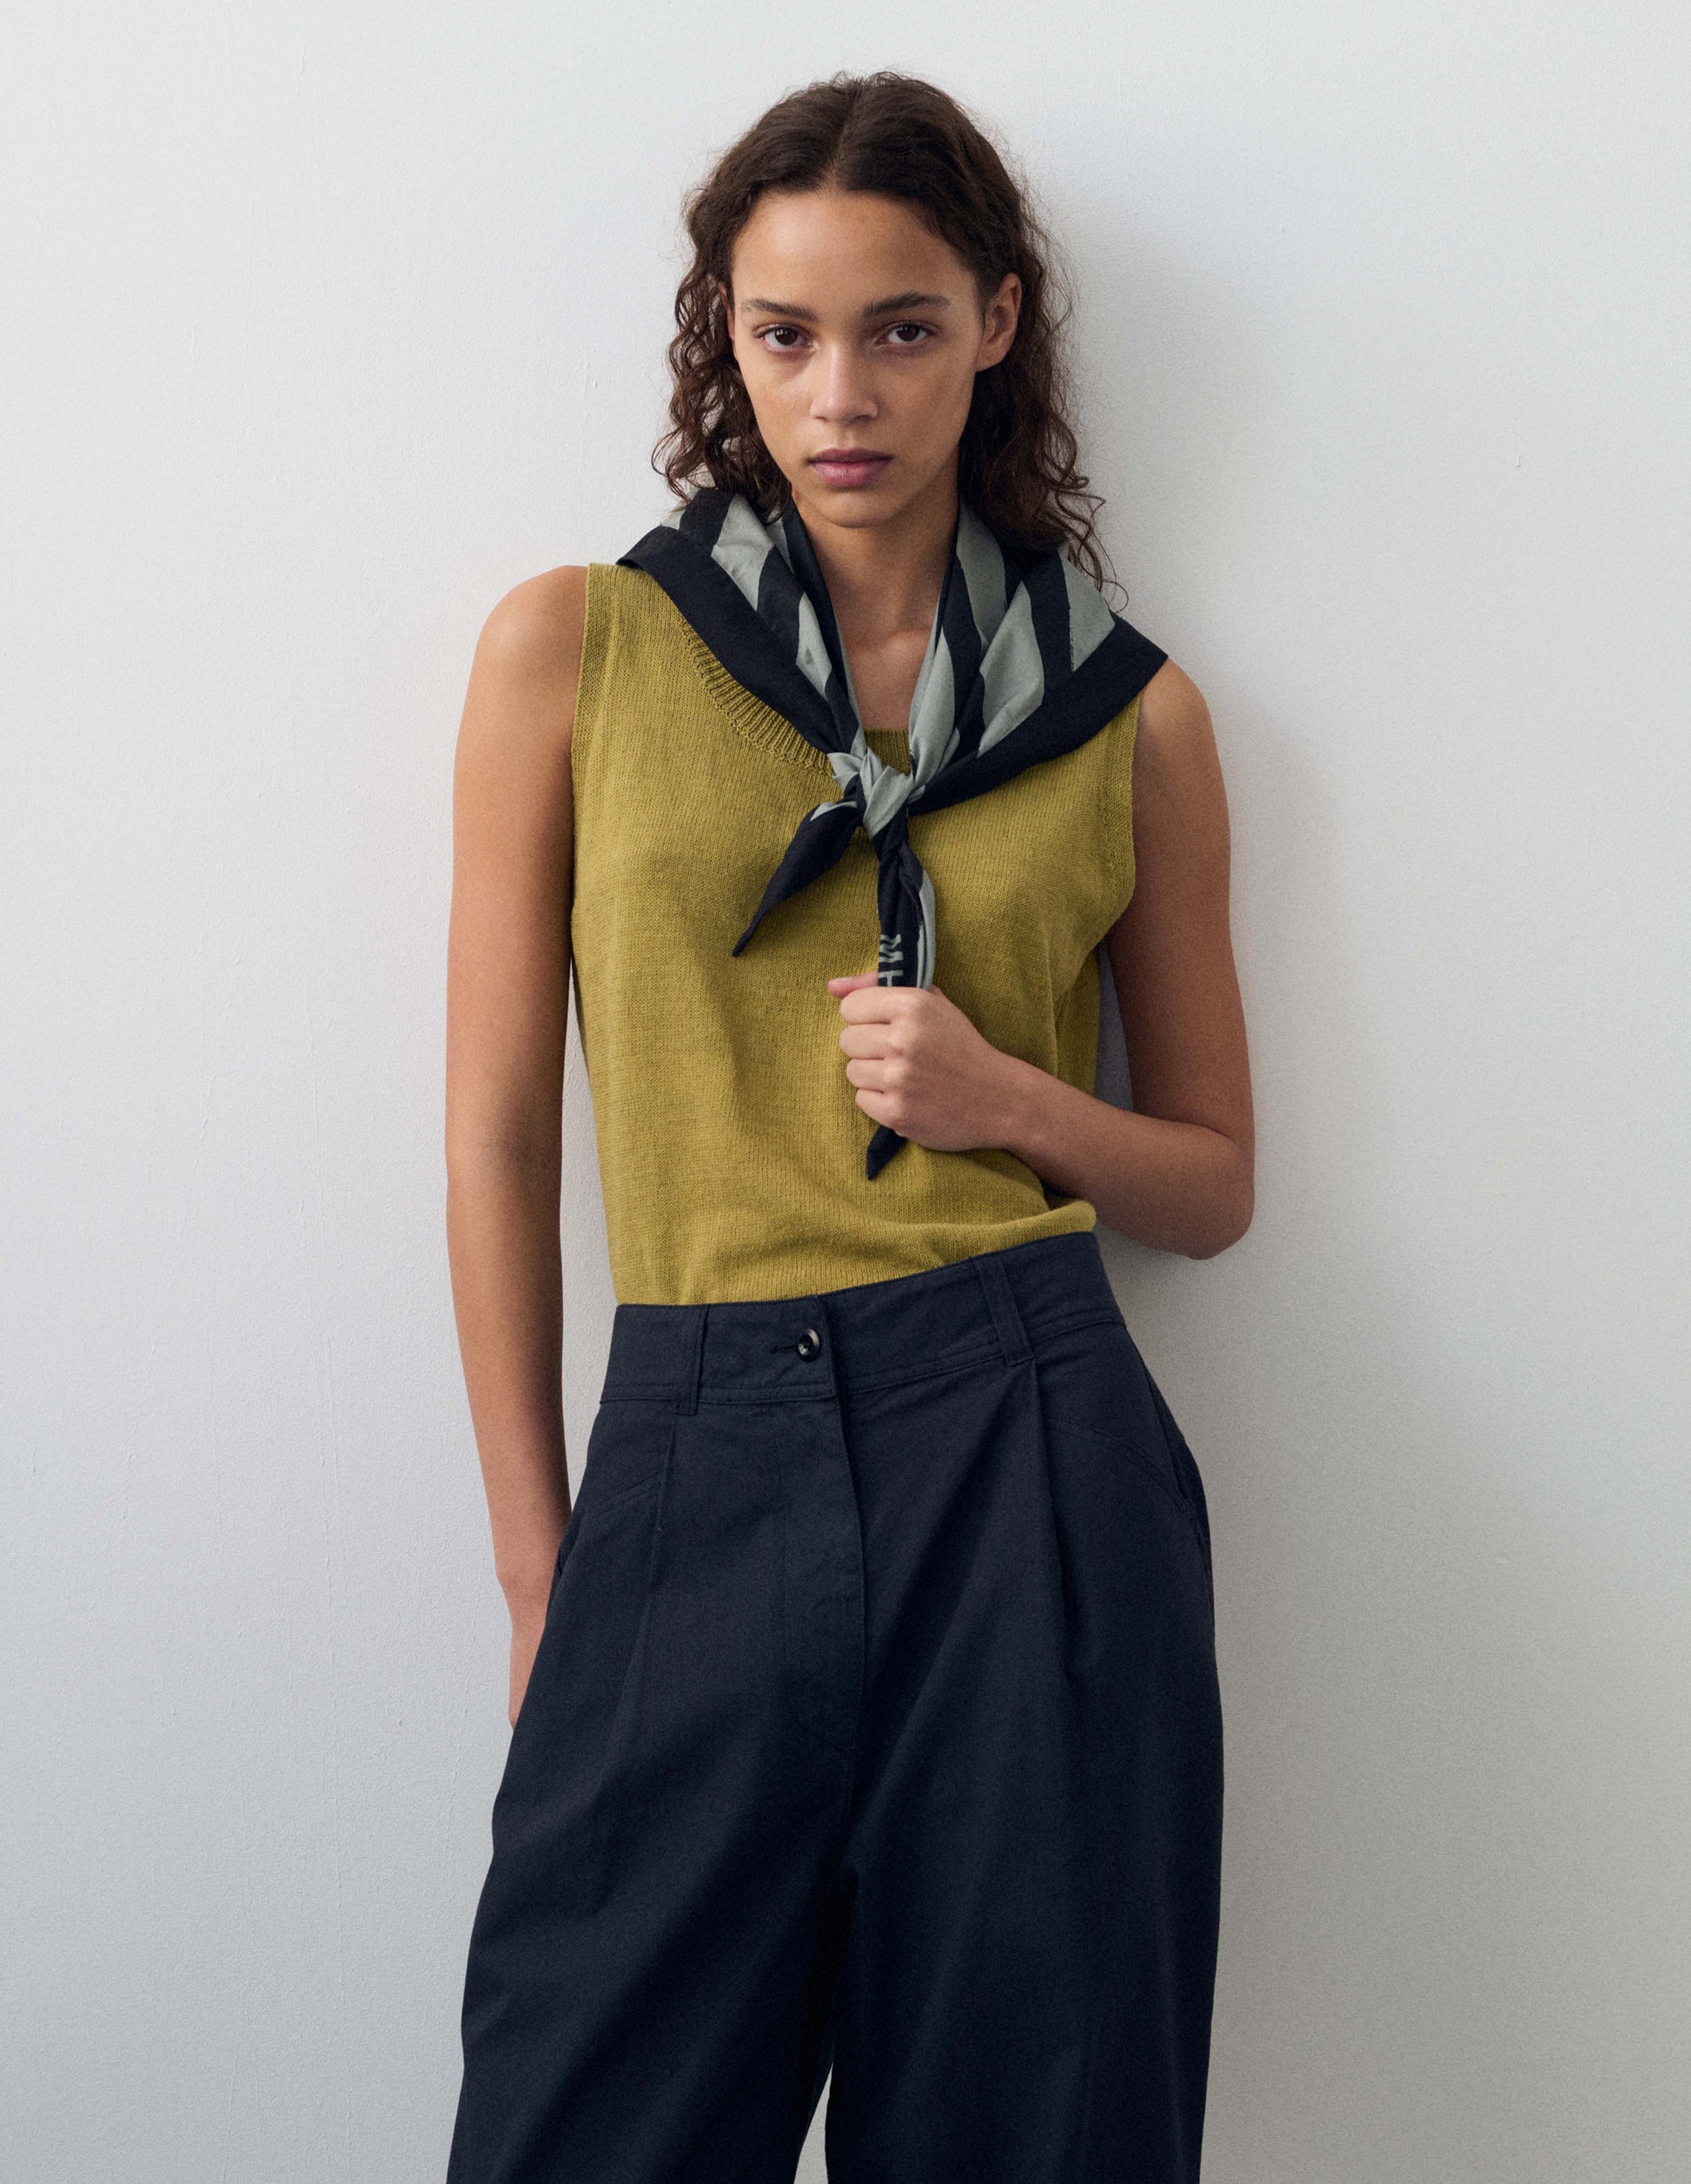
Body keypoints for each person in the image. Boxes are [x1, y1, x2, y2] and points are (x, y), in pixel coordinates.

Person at [441, 68, 1252, 2184]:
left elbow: (1217, 1187)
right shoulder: (580, 648)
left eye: (900, 326)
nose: (841, 394)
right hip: (690, 1446)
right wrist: (544, 1567)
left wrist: (1005, 1096)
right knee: (580, 2124)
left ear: (995, 322)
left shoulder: (1127, 711)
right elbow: (502, 1127)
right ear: (724, 334)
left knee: (1035, 2135)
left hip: (1030, 1449)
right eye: (783, 332)